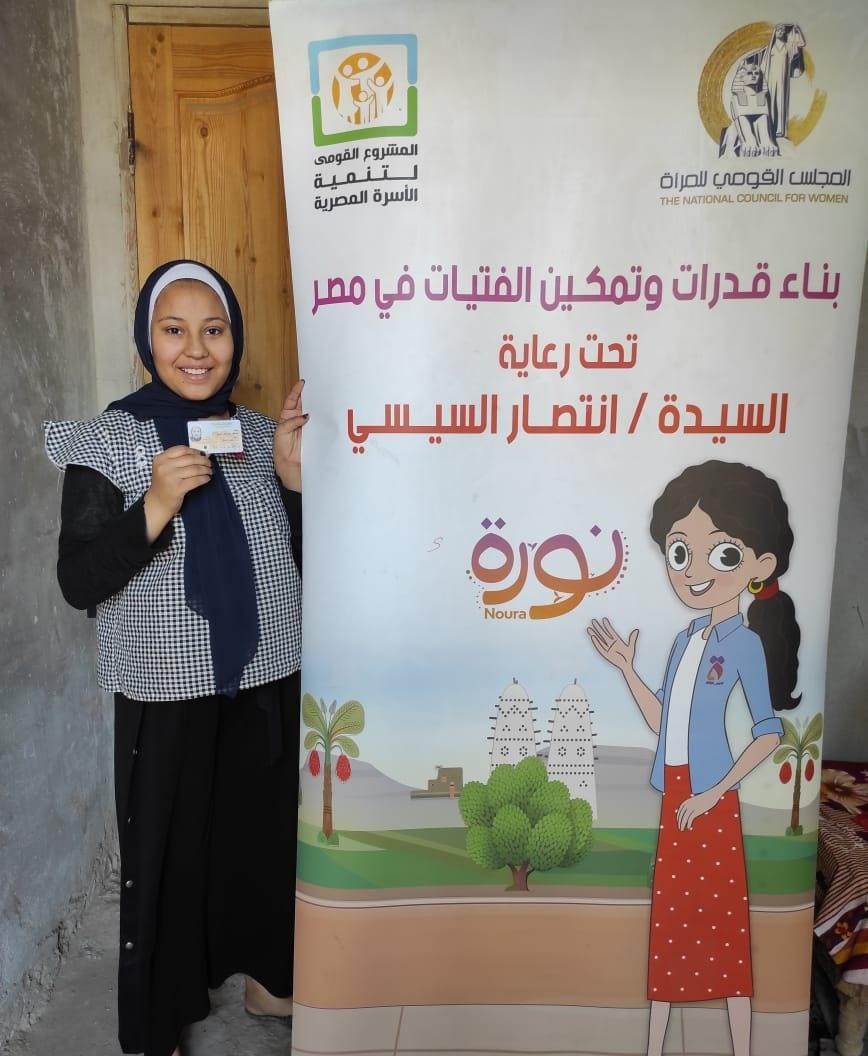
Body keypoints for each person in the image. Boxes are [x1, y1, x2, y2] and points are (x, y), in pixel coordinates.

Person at [44, 260, 307, 1056]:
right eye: (174, 330)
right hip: (165, 686)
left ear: (234, 338)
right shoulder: (108, 440)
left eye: (213, 330)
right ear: (146, 340)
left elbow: (300, 561)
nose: (196, 350)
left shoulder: (257, 434)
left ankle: (268, 976)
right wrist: (155, 506)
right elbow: (79, 581)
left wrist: (293, 483)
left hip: (266, 677)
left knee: (261, 841)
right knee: (168, 850)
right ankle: (164, 1014)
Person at [588, 460, 801, 1056]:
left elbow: (767, 733)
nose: (695, 571)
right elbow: (665, 725)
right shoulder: (686, 641)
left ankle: (742, 1047)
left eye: (722, 555)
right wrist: (628, 670)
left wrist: (713, 794)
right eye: (681, 554)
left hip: (709, 798)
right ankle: (655, 1046)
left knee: (724, 927)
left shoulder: (744, 644)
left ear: (760, 566)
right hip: (675, 793)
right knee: (671, 925)